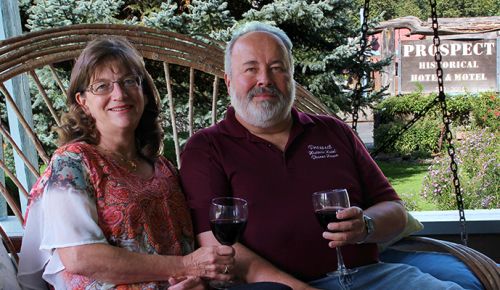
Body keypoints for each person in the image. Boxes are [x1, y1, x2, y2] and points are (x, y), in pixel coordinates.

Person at [179, 21, 464, 290]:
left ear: (291, 77)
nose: (264, 79)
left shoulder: (333, 132)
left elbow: (394, 211)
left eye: (277, 68)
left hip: (368, 277)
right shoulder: (206, 149)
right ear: (229, 81)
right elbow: (216, 245)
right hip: (274, 287)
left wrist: (366, 225)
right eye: (250, 69)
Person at [17, 37, 235, 290]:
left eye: (130, 81)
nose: (119, 94)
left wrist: (199, 277)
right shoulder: (73, 163)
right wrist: (186, 266)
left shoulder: (163, 168)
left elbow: (189, 247)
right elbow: (80, 257)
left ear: (143, 92)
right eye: (102, 86)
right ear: (83, 101)